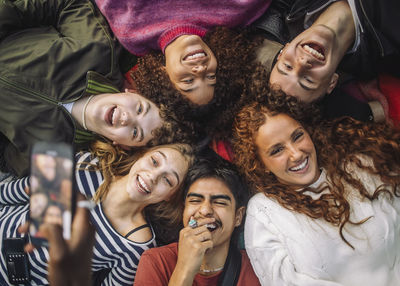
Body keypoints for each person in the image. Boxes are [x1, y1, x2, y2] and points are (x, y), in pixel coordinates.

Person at [0, 0, 192, 178]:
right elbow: (67, 3)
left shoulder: (55, 154)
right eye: (140, 109)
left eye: (135, 133)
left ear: (123, 145)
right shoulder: (98, 50)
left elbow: (6, 159)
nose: (128, 118)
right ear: (133, 93)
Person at [232, 91, 400, 285]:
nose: (296, 154)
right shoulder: (264, 211)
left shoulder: (359, 167)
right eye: (277, 150)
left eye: (297, 136)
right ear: (260, 164)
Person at [0, 142, 194, 286]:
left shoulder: (138, 247)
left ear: (170, 196)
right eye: (154, 161)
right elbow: (17, 192)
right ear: (142, 155)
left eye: (167, 180)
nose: (152, 176)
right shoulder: (86, 166)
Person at [255, 0, 400, 120]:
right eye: (307, 80)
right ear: (332, 82)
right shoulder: (391, 46)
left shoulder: (287, 5)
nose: (302, 62)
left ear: (283, 50)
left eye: (287, 66)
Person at [134, 150, 261, 286]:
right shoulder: (156, 262)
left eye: (219, 202)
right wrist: (184, 269)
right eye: (195, 200)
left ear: (238, 216)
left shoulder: (257, 270)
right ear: (184, 209)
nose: (205, 211)